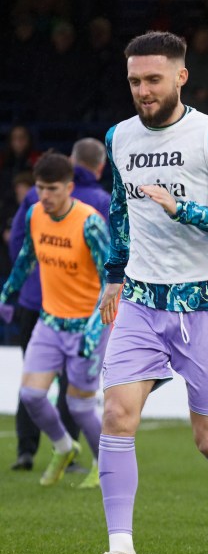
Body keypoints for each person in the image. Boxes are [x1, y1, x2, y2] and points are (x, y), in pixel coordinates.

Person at [81, 31, 208, 554]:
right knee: (116, 415)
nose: (143, 90)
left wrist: (185, 208)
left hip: (204, 301)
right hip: (142, 299)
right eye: (135, 80)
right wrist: (115, 276)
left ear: (181, 77)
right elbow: (119, 211)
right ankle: (121, 552)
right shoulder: (118, 137)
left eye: (153, 79)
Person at [0, 151, 110, 488]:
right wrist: (8, 292)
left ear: (69, 188)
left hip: (86, 326)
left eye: (51, 189)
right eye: (39, 188)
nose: (44, 196)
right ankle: (64, 446)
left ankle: (105, 467)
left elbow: (112, 278)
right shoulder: (34, 214)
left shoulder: (90, 222)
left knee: (79, 405)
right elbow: (26, 258)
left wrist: (96, 327)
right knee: (31, 396)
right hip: (50, 322)